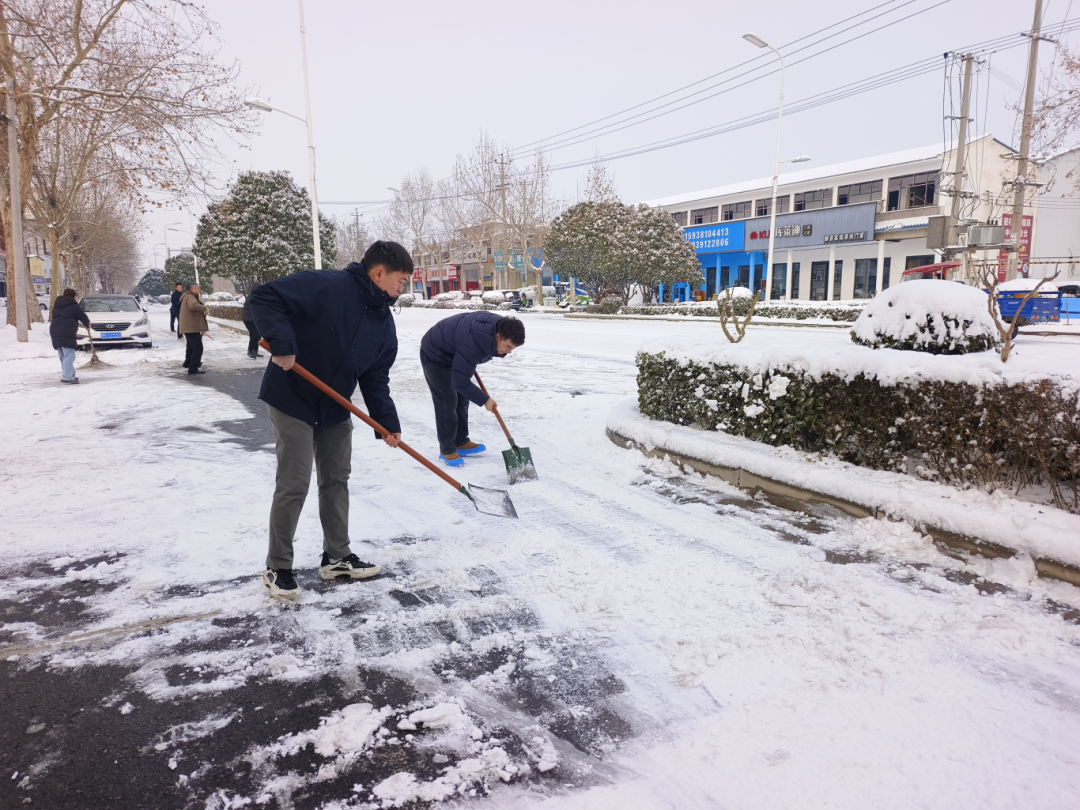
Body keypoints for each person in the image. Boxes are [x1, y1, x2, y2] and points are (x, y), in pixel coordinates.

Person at [249, 240, 413, 600]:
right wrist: (283, 343)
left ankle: (337, 557)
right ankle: (278, 567)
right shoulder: (328, 285)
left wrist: (386, 422)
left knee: (336, 480)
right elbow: (263, 298)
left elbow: (375, 378)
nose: (403, 288)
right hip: (292, 396)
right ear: (379, 272)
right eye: (401, 280)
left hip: (335, 407)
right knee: (294, 483)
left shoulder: (384, 324)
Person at [419, 311, 525, 467]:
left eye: (512, 349)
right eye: (508, 346)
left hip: (455, 349)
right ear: (497, 337)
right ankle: (447, 449)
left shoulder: (499, 328)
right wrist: (485, 400)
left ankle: (460, 441)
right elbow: (460, 382)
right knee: (447, 400)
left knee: (463, 399)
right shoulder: (473, 343)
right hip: (435, 354)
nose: (509, 352)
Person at [50, 288, 90, 385]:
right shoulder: (73, 306)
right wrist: (87, 325)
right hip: (66, 332)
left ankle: (69, 375)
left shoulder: (57, 306)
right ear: (73, 296)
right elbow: (82, 316)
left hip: (55, 331)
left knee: (63, 356)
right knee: (69, 355)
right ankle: (67, 377)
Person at [178, 282, 209, 375]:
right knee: (198, 347)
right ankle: (193, 367)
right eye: (197, 289)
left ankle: (188, 363)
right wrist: (204, 308)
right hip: (191, 326)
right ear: (192, 290)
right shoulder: (190, 297)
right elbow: (193, 306)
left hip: (189, 326)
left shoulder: (187, 296)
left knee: (191, 346)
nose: (199, 290)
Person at [242, 281, 264, 359]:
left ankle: (255, 351)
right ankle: (250, 351)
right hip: (248, 319)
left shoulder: (256, 296)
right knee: (255, 334)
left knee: (257, 335)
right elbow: (256, 308)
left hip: (253, 319)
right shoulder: (252, 296)